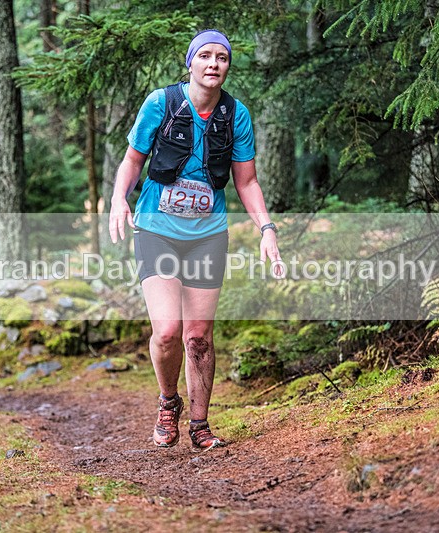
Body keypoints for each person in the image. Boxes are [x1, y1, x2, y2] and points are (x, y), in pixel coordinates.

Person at [109, 29, 282, 451]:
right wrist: (118, 198)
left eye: (221, 57)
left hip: (207, 235)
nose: (213, 64)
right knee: (168, 331)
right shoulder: (161, 103)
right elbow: (133, 161)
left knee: (199, 336)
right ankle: (169, 403)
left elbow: (248, 181)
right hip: (156, 230)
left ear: (227, 66)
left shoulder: (235, 114)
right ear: (190, 63)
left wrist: (267, 229)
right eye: (204, 55)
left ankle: (200, 424)